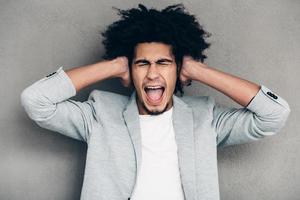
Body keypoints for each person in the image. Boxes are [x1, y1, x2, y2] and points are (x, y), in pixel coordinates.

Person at [20, 3, 291, 200]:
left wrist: (197, 70)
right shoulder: (99, 114)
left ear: (177, 69)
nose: (152, 73)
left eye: (163, 63)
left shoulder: (206, 118)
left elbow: (273, 114)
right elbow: (36, 101)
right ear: (130, 70)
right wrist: (114, 65)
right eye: (142, 64)